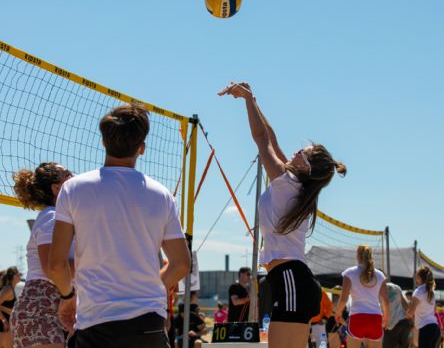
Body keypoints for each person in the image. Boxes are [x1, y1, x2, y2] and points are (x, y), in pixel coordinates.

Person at [48, 103, 191, 347]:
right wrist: (151, 288)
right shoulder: (162, 194)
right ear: (142, 148)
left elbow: (56, 265)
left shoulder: (73, 189)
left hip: (95, 321)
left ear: (103, 142)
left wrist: (68, 297)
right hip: (147, 322)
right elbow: (180, 264)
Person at [219, 82, 346, 348]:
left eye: (304, 154)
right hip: (290, 279)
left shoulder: (287, 183)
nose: (298, 151)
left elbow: (262, 140)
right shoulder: (296, 186)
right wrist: (253, 100)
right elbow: (272, 139)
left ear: (307, 168)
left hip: (291, 278)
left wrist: (248, 101)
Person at [10, 162, 73, 348]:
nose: (75, 176)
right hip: (41, 304)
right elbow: (51, 267)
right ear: (56, 188)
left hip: (50, 304)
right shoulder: (52, 216)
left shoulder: (61, 217)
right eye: (68, 174)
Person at [336, 245, 389, 348]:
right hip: (375, 318)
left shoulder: (350, 273)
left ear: (358, 256)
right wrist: (386, 318)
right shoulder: (380, 275)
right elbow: (385, 301)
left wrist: (338, 313)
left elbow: (344, 298)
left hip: (357, 317)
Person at [407, 266, 440, 348]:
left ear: (419, 277)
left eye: (416, 273)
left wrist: (407, 314)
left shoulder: (418, 291)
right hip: (435, 328)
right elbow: (434, 310)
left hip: (426, 329)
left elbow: (410, 312)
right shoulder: (431, 291)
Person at [0, 267, 20, 348]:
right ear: (14, 276)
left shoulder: (11, 288)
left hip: (5, 322)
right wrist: (4, 320)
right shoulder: (8, 289)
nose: (20, 275)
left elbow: (1, 307)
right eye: (18, 273)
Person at [383, 282, 411, 348]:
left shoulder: (379, 289)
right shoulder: (396, 287)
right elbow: (405, 305)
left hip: (391, 324)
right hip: (404, 322)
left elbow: (383, 306)